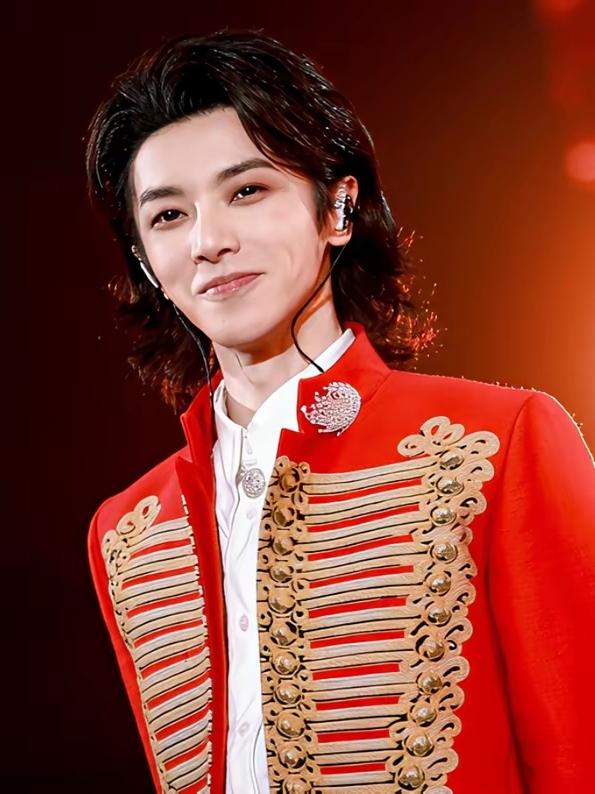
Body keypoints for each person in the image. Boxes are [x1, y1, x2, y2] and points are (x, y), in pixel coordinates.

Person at [84, 30, 594, 794]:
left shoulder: (497, 441)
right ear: (146, 266)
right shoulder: (128, 531)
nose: (208, 241)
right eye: (167, 217)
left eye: (246, 191)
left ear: (338, 208)